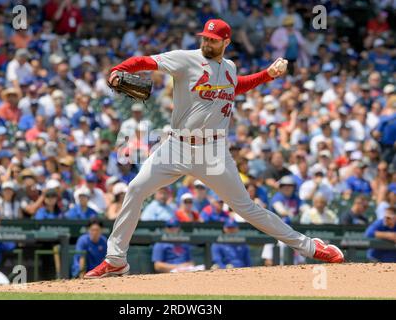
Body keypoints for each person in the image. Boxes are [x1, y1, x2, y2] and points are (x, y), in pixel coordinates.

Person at [85, 19, 344, 279]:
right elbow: (146, 62)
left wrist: (268, 75)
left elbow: (236, 86)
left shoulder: (229, 67)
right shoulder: (185, 59)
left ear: (226, 42)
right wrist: (118, 69)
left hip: (213, 152)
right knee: (135, 189)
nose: (207, 43)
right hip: (176, 146)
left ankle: (311, 247)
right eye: (205, 38)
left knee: (246, 208)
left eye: (213, 40)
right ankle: (116, 259)